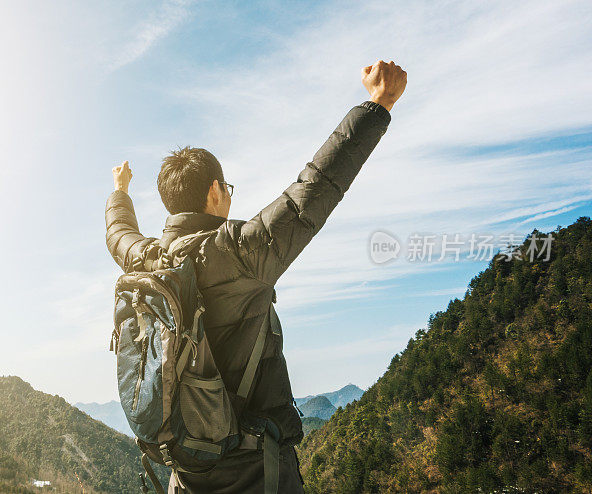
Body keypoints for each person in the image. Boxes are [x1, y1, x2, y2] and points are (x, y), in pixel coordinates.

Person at [105, 60, 407, 493]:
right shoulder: (240, 252)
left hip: (186, 472)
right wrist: (378, 104)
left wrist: (120, 190)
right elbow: (313, 190)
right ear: (214, 191)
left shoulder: (147, 259)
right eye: (227, 188)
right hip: (253, 471)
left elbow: (118, 233)